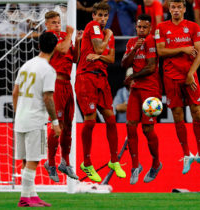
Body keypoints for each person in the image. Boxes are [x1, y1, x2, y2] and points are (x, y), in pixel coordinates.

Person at [155, 0, 200, 174]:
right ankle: (186, 155)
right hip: (170, 77)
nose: (176, 10)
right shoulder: (161, 28)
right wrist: (184, 49)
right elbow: (161, 52)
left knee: (196, 112)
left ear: (184, 9)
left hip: (189, 76)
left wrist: (190, 74)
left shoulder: (193, 27)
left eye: (179, 7)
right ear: (169, 9)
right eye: (173, 7)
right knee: (178, 116)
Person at [75, 1, 126, 183]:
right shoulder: (93, 26)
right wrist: (105, 41)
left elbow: (111, 58)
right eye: (100, 15)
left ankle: (114, 160)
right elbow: (98, 48)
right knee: (90, 122)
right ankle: (86, 163)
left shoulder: (106, 33)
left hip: (101, 78)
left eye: (105, 15)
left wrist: (100, 55)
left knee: (111, 119)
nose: (103, 19)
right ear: (93, 16)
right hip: (86, 77)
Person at [12, 32, 59, 207]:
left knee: (25, 160)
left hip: (20, 119)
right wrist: (55, 122)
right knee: (34, 160)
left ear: (39, 46)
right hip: (35, 120)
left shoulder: (26, 65)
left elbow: (15, 93)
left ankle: (32, 195)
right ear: (55, 48)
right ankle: (25, 197)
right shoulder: (48, 70)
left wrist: (19, 114)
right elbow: (48, 98)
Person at [122, 14, 163, 184]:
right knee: (130, 126)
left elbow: (152, 67)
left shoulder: (152, 41)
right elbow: (124, 64)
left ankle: (155, 163)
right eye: (139, 27)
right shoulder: (132, 42)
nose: (141, 30)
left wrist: (133, 77)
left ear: (150, 28)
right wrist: (133, 50)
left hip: (150, 90)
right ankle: (134, 165)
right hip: (136, 90)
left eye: (144, 27)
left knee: (147, 129)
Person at [42, 11, 82, 182]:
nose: (57, 25)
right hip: (55, 84)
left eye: (58, 22)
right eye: (53, 23)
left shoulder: (65, 36)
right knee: (56, 125)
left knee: (68, 125)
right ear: (47, 25)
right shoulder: (48, 37)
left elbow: (75, 59)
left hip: (67, 85)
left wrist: (78, 42)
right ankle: (50, 162)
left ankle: (65, 161)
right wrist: (71, 35)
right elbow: (62, 49)